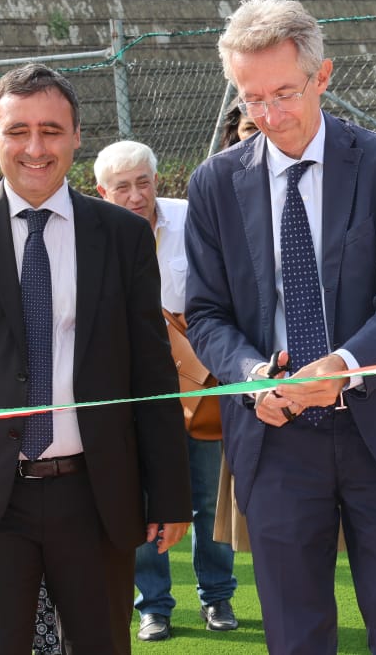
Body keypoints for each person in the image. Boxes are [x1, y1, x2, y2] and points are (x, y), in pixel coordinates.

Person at [184, 0, 376, 654]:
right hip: (276, 438)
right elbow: (206, 314)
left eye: (285, 92)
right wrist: (251, 375)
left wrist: (342, 367)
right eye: (252, 98)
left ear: (322, 76)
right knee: (296, 637)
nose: (271, 115)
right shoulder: (214, 184)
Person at [0, 63, 191, 654]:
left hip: (95, 495)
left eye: (52, 131)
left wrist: (169, 494)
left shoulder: (121, 235)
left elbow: (152, 373)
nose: (35, 148)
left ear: (77, 137)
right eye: (19, 130)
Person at [93, 140, 240, 642]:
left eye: (144, 182)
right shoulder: (92, 234)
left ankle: (217, 596)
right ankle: (152, 605)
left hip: (200, 382)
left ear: (157, 180)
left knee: (206, 498)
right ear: (102, 191)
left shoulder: (191, 218)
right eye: (122, 187)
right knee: (138, 501)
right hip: (130, 389)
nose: (136, 195)